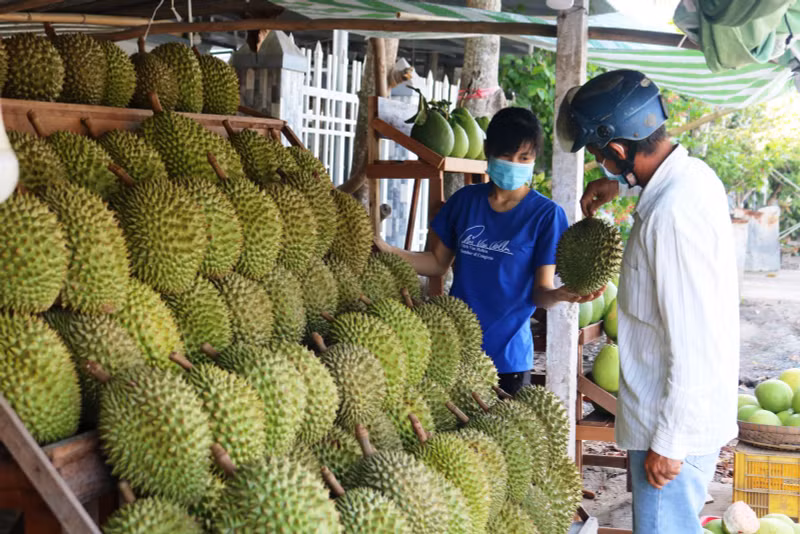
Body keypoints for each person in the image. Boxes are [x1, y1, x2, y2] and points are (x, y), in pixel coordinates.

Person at [556, 69, 740, 533]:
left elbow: (695, 339)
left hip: (672, 424)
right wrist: (621, 186)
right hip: (675, 417)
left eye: (601, 158)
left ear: (618, 151)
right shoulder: (692, 179)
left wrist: (670, 442)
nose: (601, 165)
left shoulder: (672, 217)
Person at [375, 107, 602, 395]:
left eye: (524, 158)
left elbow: (540, 292)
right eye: (506, 156)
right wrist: (386, 249)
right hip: (454, 348)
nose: (514, 164)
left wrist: (559, 295)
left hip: (509, 359)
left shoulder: (546, 215)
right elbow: (436, 263)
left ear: (534, 160)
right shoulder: (464, 202)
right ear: (488, 151)